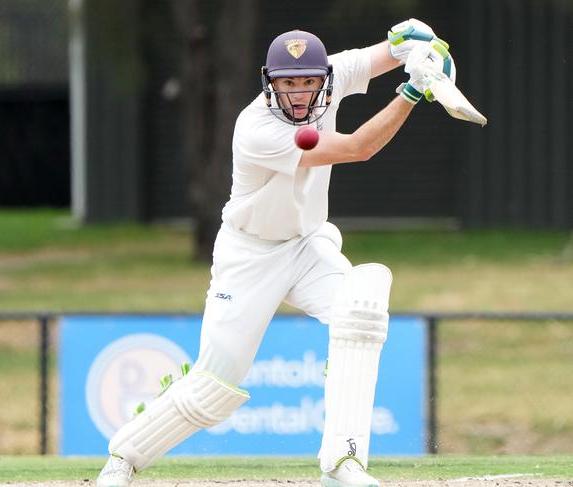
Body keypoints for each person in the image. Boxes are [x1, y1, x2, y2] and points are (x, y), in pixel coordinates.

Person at [97, 19, 454, 487]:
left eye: (309, 82)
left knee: (359, 307)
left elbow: (390, 52)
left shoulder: (336, 74)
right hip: (249, 255)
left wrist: (423, 45)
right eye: (289, 83)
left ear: (323, 77)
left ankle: (342, 462)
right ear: (271, 83)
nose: (301, 93)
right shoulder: (256, 128)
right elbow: (357, 149)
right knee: (213, 387)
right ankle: (123, 458)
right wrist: (411, 94)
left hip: (307, 244)